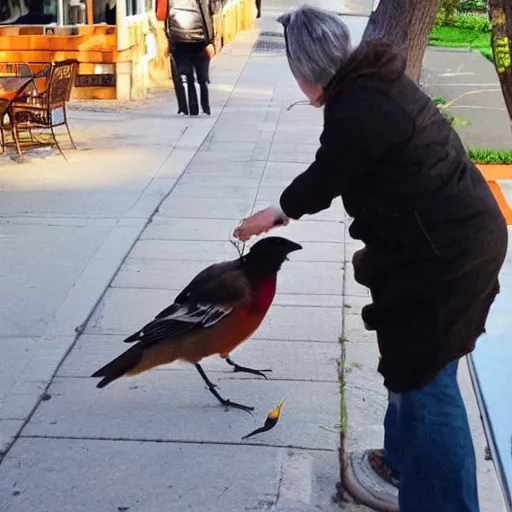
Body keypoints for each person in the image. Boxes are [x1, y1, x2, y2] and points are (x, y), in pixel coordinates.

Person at [233, 6, 507, 512]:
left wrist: (271, 214)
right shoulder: (366, 84)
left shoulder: (361, 104)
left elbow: (326, 175)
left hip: (445, 257)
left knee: (428, 383)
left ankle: (443, 502)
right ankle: (400, 462)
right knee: (411, 365)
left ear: (305, 68)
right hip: (442, 246)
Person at [165, 0, 215, 116]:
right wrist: (209, 41)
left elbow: (167, 17)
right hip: (199, 39)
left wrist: (169, 39)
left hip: (179, 39)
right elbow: (205, 15)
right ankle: (205, 108)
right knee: (202, 79)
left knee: (188, 78)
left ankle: (190, 109)